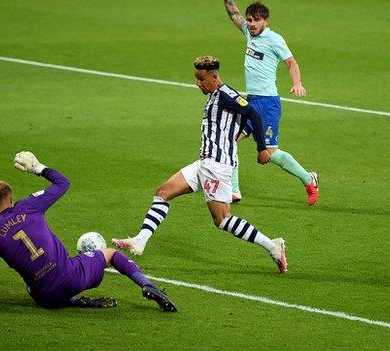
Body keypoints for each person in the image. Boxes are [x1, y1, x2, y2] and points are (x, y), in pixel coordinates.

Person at [113, 56, 288, 273]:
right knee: (163, 192)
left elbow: (253, 113)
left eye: (201, 79)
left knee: (222, 220)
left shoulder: (226, 96)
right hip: (204, 162)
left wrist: (261, 147)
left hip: (217, 165)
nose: (197, 83)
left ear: (214, 77)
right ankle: (140, 240)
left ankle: (273, 247)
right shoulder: (215, 94)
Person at [0, 151, 177, 311]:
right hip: (71, 277)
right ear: (11, 198)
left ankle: (72, 301)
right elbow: (63, 182)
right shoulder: (28, 206)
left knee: (31, 288)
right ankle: (148, 286)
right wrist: (37, 167)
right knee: (111, 254)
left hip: (45, 298)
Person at [222, 0, 319, 205]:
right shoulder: (249, 32)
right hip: (251, 102)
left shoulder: (274, 39)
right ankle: (234, 191)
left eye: (256, 20)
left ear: (266, 21)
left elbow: (291, 62)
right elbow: (233, 13)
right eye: (249, 20)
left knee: (271, 152)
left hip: (267, 105)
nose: (252, 24)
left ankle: (308, 179)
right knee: (229, 140)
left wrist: (297, 83)